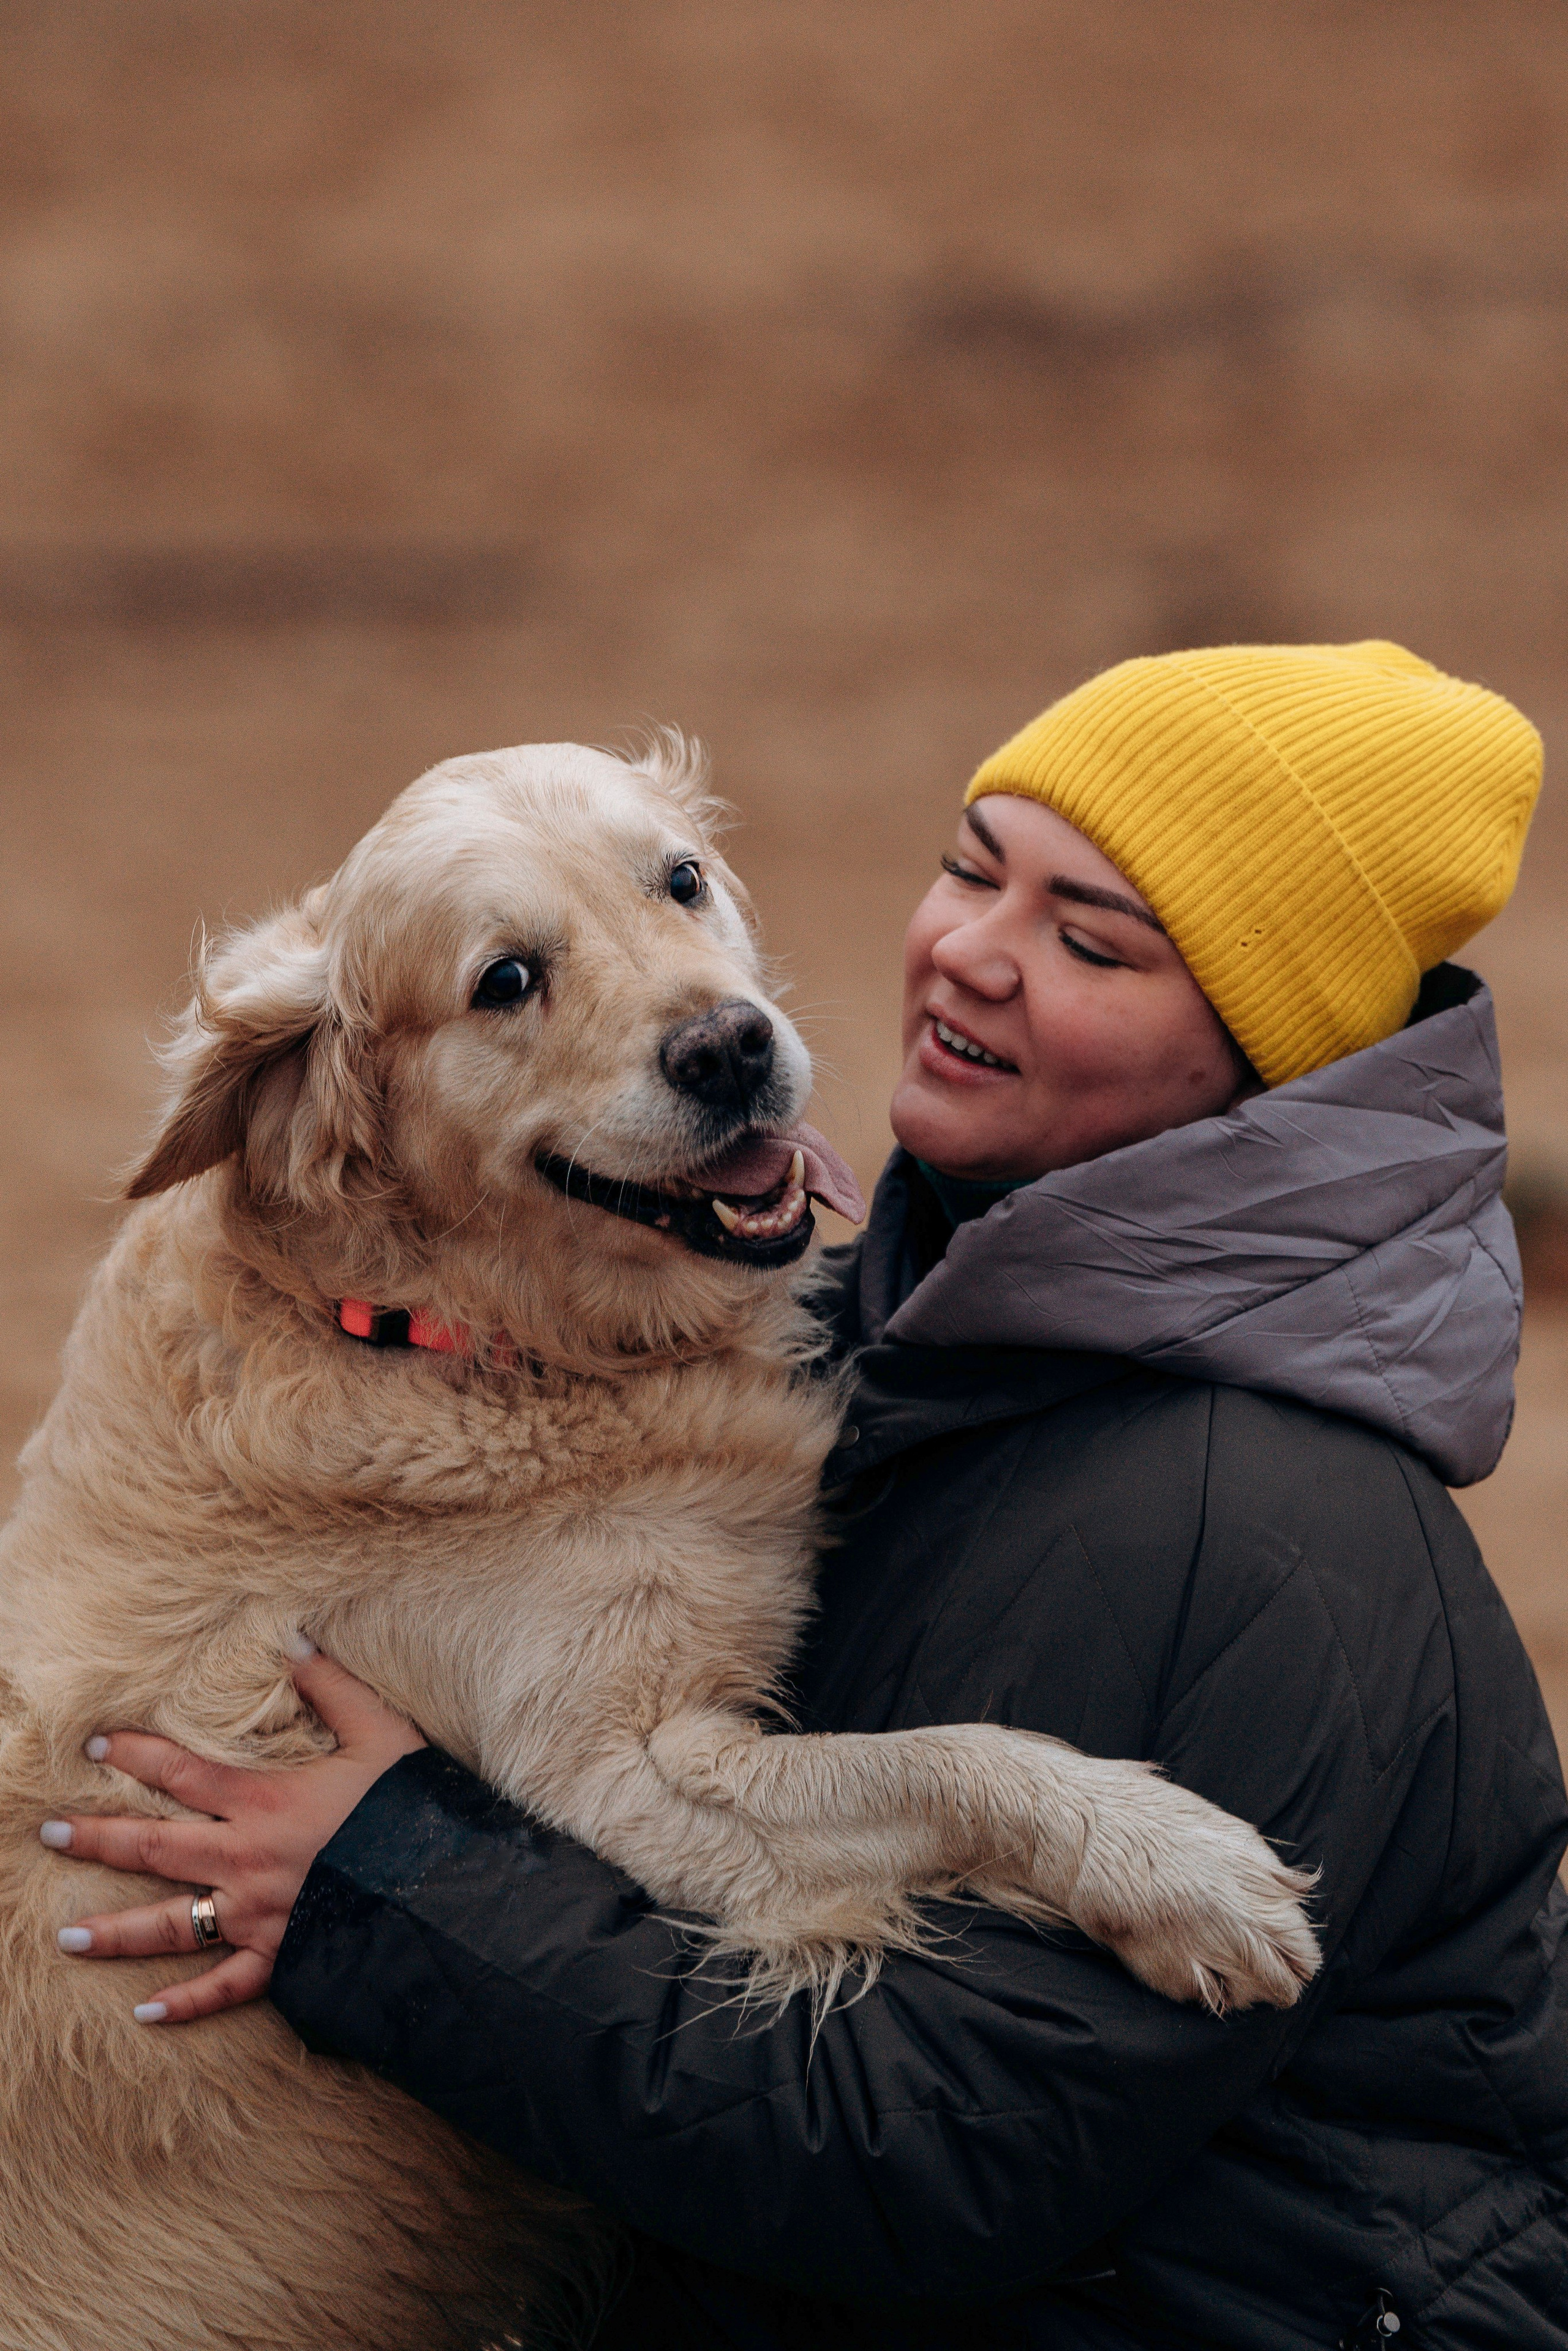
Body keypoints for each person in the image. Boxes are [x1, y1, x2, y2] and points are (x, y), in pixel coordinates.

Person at [43, 642, 1567, 2350]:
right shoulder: (906, 1320)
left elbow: (930, 2158)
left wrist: (381, 1884)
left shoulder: (1256, 1515)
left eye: (1087, 943)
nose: (704, 1011)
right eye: (974, 874)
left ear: (1258, 1039)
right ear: (351, 1107)